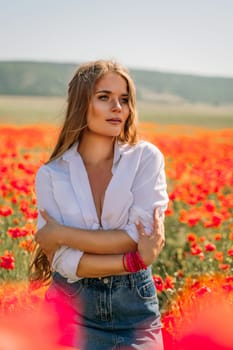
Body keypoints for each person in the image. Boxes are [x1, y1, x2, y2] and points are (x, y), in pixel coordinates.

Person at [30, 59, 169, 350]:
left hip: (135, 312)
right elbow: (61, 262)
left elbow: (135, 237)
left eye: (124, 99)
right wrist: (132, 261)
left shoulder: (145, 159)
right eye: (104, 97)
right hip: (69, 309)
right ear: (81, 104)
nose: (118, 107)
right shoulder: (52, 175)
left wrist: (61, 234)